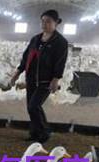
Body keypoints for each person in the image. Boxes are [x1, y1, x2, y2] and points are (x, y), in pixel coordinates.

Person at [11, 9, 69, 143]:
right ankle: (34, 133)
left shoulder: (60, 42)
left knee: (34, 106)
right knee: (30, 108)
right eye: (42, 21)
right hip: (31, 79)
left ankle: (45, 132)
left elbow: (60, 62)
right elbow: (26, 57)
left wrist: (55, 79)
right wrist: (17, 73)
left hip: (45, 81)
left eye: (48, 21)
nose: (44, 24)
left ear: (56, 23)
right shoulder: (35, 39)